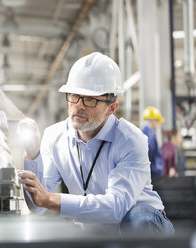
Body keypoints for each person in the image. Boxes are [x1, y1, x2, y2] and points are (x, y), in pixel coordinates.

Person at [18, 52, 174, 234]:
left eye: (90, 99)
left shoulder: (130, 140)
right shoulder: (53, 137)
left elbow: (117, 208)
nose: (79, 105)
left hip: (147, 227)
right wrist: (32, 155)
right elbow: (38, 206)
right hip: (95, 232)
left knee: (138, 218)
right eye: (74, 95)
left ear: (112, 108)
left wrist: (52, 200)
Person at [141, 107, 164, 177]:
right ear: (153, 120)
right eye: (158, 121)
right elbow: (149, 153)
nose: (159, 124)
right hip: (153, 174)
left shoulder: (143, 132)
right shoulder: (151, 134)